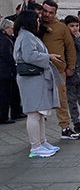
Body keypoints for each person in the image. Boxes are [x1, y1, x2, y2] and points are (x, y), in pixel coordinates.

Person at [13, 10, 62, 157]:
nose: (39, 23)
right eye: (37, 20)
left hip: (35, 79)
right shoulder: (26, 36)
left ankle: (41, 141)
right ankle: (35, 146)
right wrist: (48, 56)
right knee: (34, 113)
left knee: (40, 113)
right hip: (31, 79)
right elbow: (30, 56)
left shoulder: (28, 35)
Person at [40, 0, 79, 139]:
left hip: (57, 71)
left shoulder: (61, 28)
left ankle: (65, 128)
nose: (47, 15)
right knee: (39, 103)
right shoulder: (34, 25)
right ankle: (38, 134)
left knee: (62, 100)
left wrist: (71, 66)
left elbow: (70, 48)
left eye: (51, 12)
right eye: (45, 11)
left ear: (55, 13)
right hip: (38, 72)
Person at [0, 19, 18, 124]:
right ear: (6, 28)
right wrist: (14, 64)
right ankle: (3, 117)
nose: (13, 30)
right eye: (11, 28)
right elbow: (7, 55)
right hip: (4, 72)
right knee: (4, 95)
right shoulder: (4, 40)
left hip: (5, 72)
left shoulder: (7, 38)